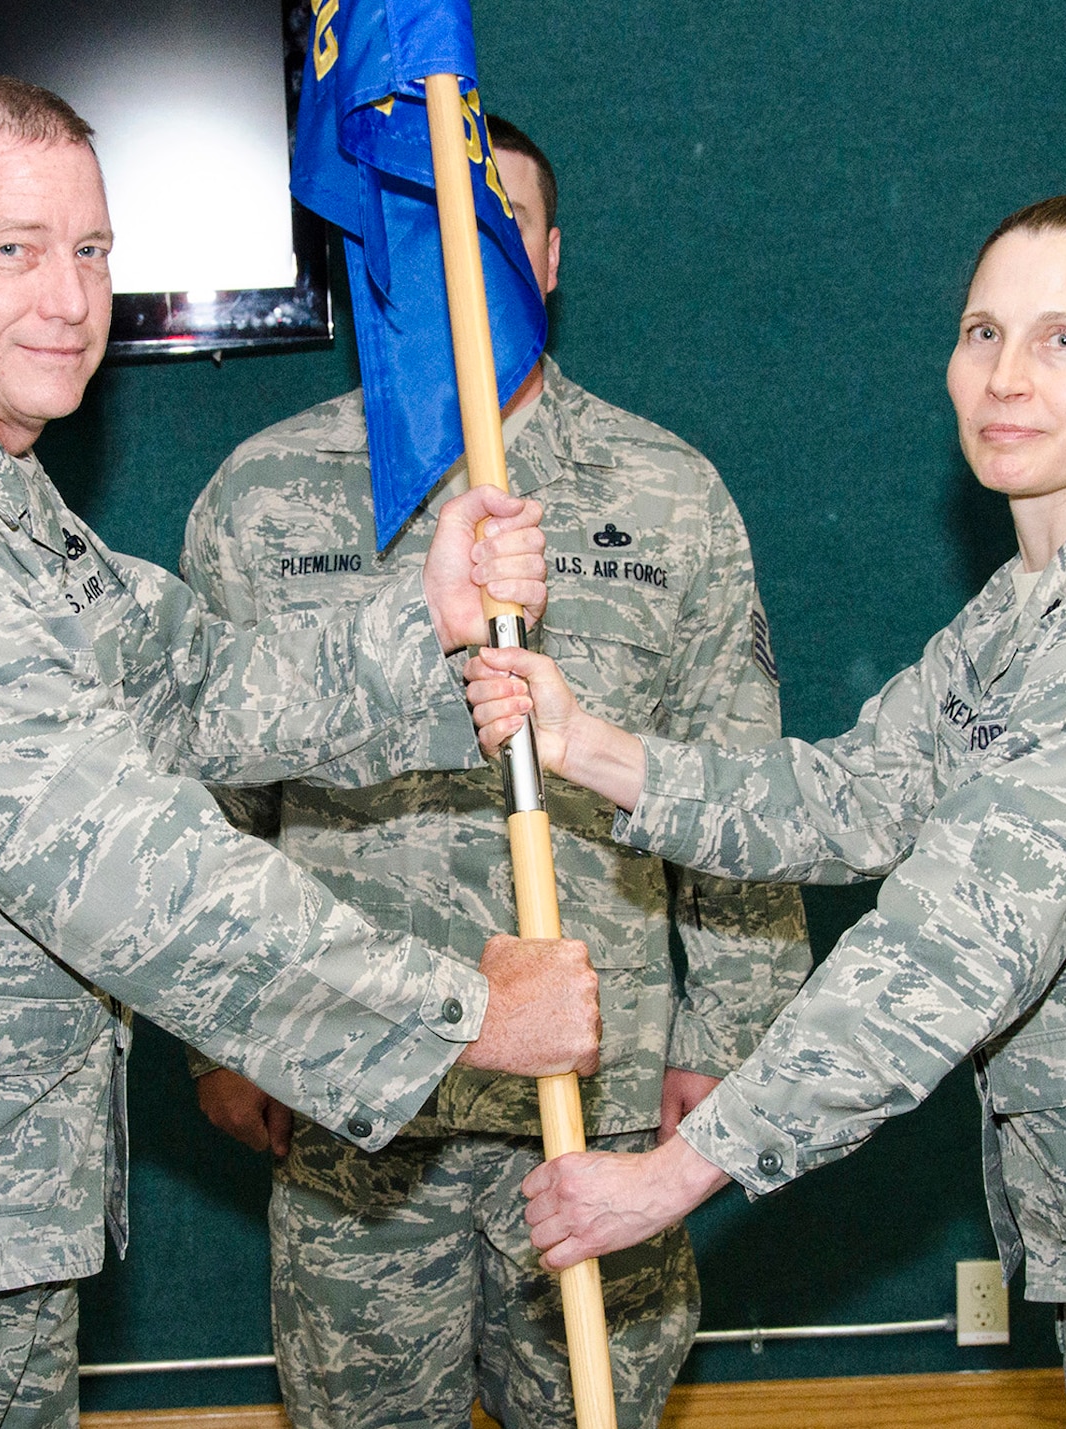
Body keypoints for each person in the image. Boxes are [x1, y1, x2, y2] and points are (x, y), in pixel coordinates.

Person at [0, 77, 603, 1429]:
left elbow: (197, 680)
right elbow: (125, 866)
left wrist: (423, 621)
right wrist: (469, 1013)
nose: (70, 296)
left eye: (92, 251)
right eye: (17, 249)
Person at [469, 194, 1066, 1428]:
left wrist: (671, 1177)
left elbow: (948, 943)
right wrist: (586, 743)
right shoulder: (1020, 609)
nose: (1006, 378)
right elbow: (847, 795)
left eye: (1061, 340)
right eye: (981, 333)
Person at [181, 116, 810, 1429]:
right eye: (429, 225)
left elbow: (738, 790)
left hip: (605, 1105)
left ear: (553, 253)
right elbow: (209, 807)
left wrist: (730, 1042)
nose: (469, 254)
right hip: (359, 1119)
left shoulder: (671, 494)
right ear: (383, 256)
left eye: (500, 220)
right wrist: (221, 1037)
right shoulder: (263, 497)